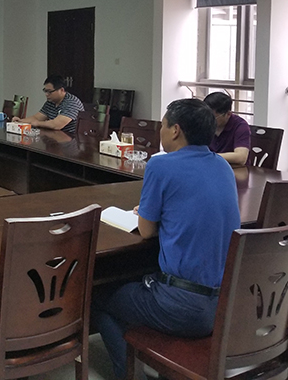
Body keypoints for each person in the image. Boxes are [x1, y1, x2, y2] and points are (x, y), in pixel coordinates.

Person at [92, 98, 240, 379]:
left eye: (162, 125)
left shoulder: (160, 165)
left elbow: (146, 231)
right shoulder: (222, 166)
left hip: (182, 306)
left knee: (97, 296)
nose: (160, 130)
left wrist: (152, 214)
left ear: (175, 130)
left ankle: (129, 375)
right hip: (223, 306)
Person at [12, 75, 84, 133]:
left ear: (61, 90)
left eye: (49, 91)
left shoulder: (71, 102)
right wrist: (20, 121)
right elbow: (37, 117)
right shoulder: (51, 101)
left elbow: (56, 125)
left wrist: (37, 123)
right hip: (55, 136)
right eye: (45, 91)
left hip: (71, 139)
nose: (46, 94)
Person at [203, 91, 251, 166]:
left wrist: (209, 156)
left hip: (234, 169)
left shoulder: (240, 126)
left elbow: (241, 157)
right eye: (206, 115)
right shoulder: (203, 122)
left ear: (228, 114)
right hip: (210, 165)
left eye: (213, 117)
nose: (208, 120)